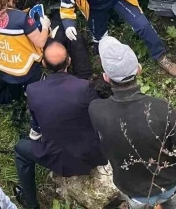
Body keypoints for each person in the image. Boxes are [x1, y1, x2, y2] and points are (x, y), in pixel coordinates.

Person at [89, 36, 176, 209]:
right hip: (168, 185)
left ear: (106, 77)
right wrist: (173, 164)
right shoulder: (160, 109)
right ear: (138, 70)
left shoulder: (96, 110)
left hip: (134, 191)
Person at [13, 41, 107, 209]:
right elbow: (100, 117)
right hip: (92, 156)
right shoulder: (84, 87)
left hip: (58, 160)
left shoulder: (33, 90)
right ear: (69, 61)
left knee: (21, 148)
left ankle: (31, 203)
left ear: (43, 64)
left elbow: (37, 124)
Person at [0, 0, 50, 89]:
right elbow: (41, 42)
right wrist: (45, 26)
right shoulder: (21, 18)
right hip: (26, 71)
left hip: (3, 70)